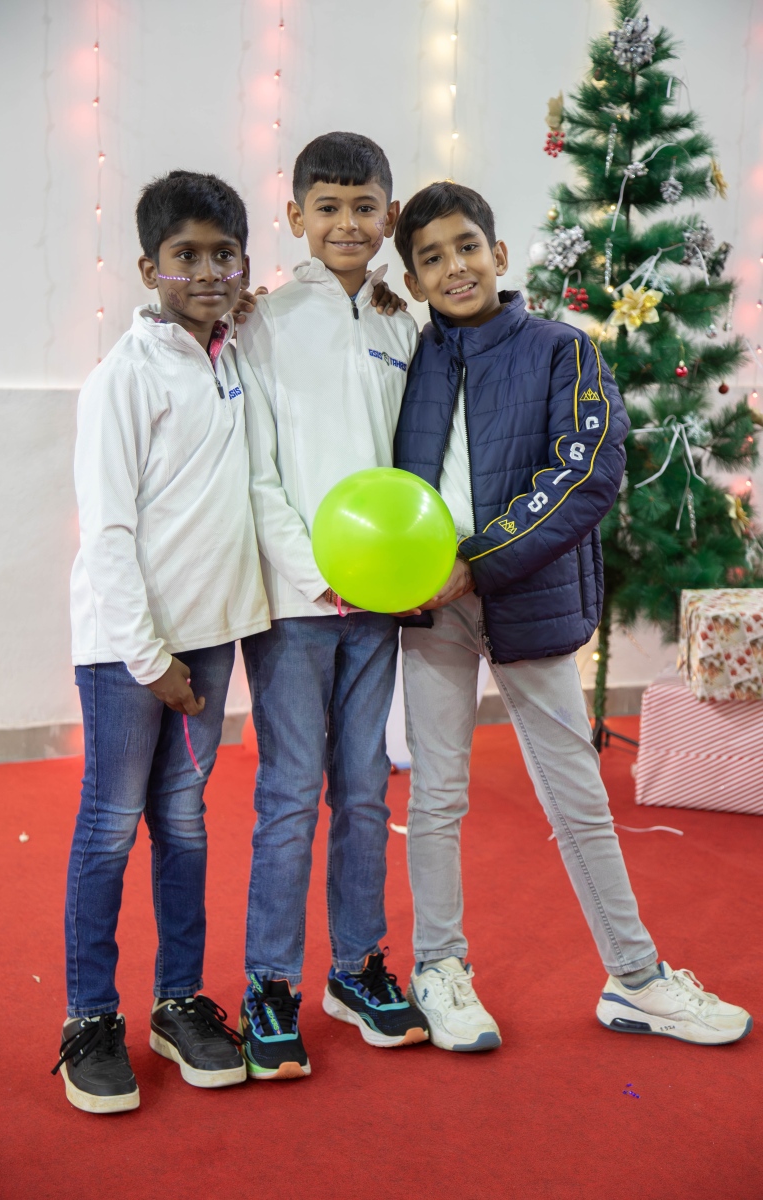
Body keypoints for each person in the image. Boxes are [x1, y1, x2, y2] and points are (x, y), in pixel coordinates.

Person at [391, 181, 753, 1052]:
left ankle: (636, 979)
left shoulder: (564, 350)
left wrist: (475, 564)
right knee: (435, 795)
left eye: (466, 247)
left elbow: (587, 473)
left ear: (498, 253)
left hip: (524, 598)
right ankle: (439, 968)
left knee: (576, 796)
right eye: (431, 258)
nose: (454, 268)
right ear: (411, 281)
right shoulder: (409, 358)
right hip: (429, 607)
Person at [52, 171, 270, 1113]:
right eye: (187, 256)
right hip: (129, 652)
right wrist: (151, 662)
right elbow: (107, 532)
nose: (209, 272)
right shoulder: (124, 378)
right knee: (109, 827)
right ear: (149, 268)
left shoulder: (234, 354)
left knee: (183, 824)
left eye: (226, 255)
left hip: (209, 642)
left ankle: (177, 1001)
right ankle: (88, 1018)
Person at [234, 131, 429, 1081]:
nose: (346, 223)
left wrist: (393, 575)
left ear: (389, 216)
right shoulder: (264, 323)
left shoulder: (403, 326)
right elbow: (257, 467)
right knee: (287, 795)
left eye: (363, 208)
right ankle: (269, 983)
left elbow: (414, 460)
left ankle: (356, 967)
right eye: (327, 207)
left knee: (364, 790)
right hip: (298, 603)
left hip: (380, 604)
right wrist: (314, 573)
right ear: (296, 216)